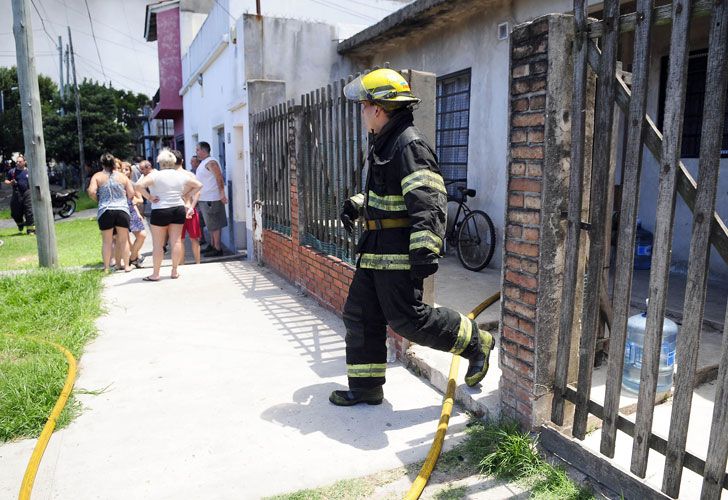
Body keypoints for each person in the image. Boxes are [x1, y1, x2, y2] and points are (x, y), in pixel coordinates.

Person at [329, 69, 495, 406]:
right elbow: (388, 196)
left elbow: (428, 199)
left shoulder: (408, 144)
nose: (361, 112)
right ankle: (365, 388)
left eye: (364, 106)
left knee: (409, 319)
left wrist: (425, 249)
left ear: (379, 108)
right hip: (375, 251)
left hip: (396, 253)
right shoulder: (385, 142)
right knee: (360, 315)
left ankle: (476, 342)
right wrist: (358, 206)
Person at [135, 149, 202, 281]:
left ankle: (156, 273)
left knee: (158, 244)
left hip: (160, 209)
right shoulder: (180, 175)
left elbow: (138, 185)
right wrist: (187, 195)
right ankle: (174, 271)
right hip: (177, 208)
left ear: (160, 162)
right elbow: (199, 185)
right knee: (176, 241)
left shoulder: (156, 175)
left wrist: (149, 197)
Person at [88, 153, 135, 273]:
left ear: (102, 163)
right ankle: (126, 266)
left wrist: (99, 200)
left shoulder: (97, 176)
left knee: (107, 241)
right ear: (114, 163)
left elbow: (92, 191)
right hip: (122, 210)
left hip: (105, 210)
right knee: (123, 240)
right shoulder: (122, 177)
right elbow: (131, 193)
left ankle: (107, 267)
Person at [194, 141, 227, 257]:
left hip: (212, 199)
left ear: (203, 151)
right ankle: (213, 245)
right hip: (205, 198)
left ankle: (217, 248)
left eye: (197, 150)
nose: (196, 152)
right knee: (210, 225)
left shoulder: (211, 162)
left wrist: (222, 194)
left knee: (215, 224)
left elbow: (219, 178)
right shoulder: (204, 163)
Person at [172, 150, 202, 265]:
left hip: (175, 209)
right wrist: (191, 204)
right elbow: (198, 191)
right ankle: (198, 263)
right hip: (190, 208)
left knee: (179, 240)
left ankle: (181, 264)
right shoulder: (189, 175)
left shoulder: (168, 177)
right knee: (194, 239)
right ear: (182, 161)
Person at [120, 161, 147, 268]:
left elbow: (140, 199)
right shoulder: (117, 184)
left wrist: (131, 198)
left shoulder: (133, 184)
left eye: (127, 169)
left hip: (132, 211)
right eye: (122, 169)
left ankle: (133, 257)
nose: (124, 171)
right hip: (120, 211)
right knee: (125, 238)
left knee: (142, 235)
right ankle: (132, 258)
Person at [3, 153, 34, 234]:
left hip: (27, 192)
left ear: (24, 162)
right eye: (17, 162)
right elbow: (6, 180)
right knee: (15, 213)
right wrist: (10, 183)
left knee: (29, 211)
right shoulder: (12, 171)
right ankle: (20, 224)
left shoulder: (29, 171)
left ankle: (31, 230)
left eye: (20, 162)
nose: (17, 163)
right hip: (16, 193)